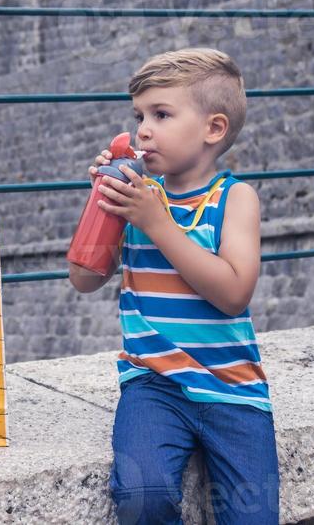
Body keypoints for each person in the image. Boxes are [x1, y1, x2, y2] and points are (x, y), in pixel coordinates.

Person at [68, 47, 280, 524]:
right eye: (139, 114)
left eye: (162, 114)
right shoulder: (139, 198)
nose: (143, 129)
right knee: (142, 494)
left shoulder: (235, 198)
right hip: (152, 384)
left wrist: (157, 222)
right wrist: (100, 207)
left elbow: (232, 293)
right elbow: (83, 280)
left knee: (254, 516)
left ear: (214, 129)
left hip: (232, 389)